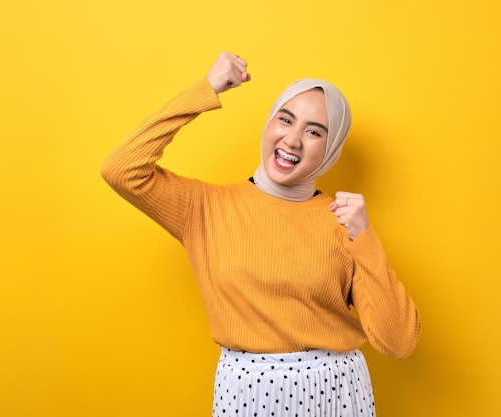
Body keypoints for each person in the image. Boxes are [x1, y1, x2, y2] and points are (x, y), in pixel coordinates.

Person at [102, 51, 421, 417]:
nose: (293, 139)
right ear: (269, 123)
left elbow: (398, 342)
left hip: (337, 391)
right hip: (246, 393)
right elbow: (120, 168)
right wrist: (206, 90)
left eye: (314, 131)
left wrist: (364, 237)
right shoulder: (204, 208)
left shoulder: (343, 223)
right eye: (285, 119)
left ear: (330, 149)